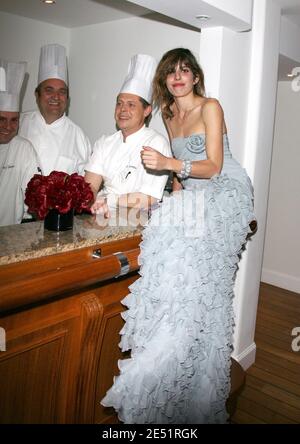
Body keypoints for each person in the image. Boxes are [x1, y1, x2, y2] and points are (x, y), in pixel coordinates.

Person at [101, 48, 255, 423]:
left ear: (196, 76)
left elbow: (215, 167)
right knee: (177, 269)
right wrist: (173, 196)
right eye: (171, 72)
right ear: (165, 81)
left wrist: (169, 164)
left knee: (198, 275)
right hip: (195, 195)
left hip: (227, 192)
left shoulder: (210, 107)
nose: (178, 76)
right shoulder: (169, 113)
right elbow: (182, 178)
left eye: (185, 70)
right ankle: (179, 364)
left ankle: (172, 356)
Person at [85, 54, 171, 216]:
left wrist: (108, 200)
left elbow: (148, 198)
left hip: (137, 222)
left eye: (131, 105)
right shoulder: (105, 142)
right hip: (100, 216)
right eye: (119, 103)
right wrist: (90, 201)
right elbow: (90, 186)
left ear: (147, 110)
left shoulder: (156, 143)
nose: (123, 110)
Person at [19, 44, 91, 175]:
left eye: (62, 92)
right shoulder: (18, 124)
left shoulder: (79, 137)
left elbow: (84, 185)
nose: (56, 97)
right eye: (49, 90)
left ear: (67, 98)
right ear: (37, 95)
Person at [0, 60, 40, 226]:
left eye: (14, 120)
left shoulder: (24, 148)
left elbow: (33, 194)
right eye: (1, 119)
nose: (8, 127)